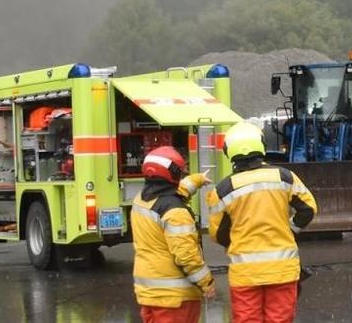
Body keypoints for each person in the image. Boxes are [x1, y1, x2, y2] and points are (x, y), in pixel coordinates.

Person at [207, 121, 317, 323]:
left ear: (229, 152)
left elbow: (218, 235)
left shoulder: (222, 190)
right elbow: (308, 209)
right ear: (261, 145)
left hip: (245, 274)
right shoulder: (285, 177)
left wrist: (240, 240)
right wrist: (290, 229)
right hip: (282, 271)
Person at [132, 146, 215, 323]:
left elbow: (176, 190)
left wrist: (198, 179)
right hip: (175, 299)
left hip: (149, 294)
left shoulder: (141, 200)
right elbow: (186, 257)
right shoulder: (176, 212)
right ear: (172, 174)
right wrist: (206, 282)